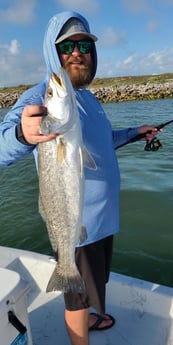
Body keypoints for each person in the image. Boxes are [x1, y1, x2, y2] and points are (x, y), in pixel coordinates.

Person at [0, 11, 160, 345]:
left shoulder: (84, 98)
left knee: (92, 288)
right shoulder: (39, 98)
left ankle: (88, 317)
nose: (77, 52)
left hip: (101, 222)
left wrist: (134, 133)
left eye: (84, 44)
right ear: (52, 53)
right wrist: (21, 133)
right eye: (67, 46)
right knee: (77, 297)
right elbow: (3, 144)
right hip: (76, 226)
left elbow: (101, 143)